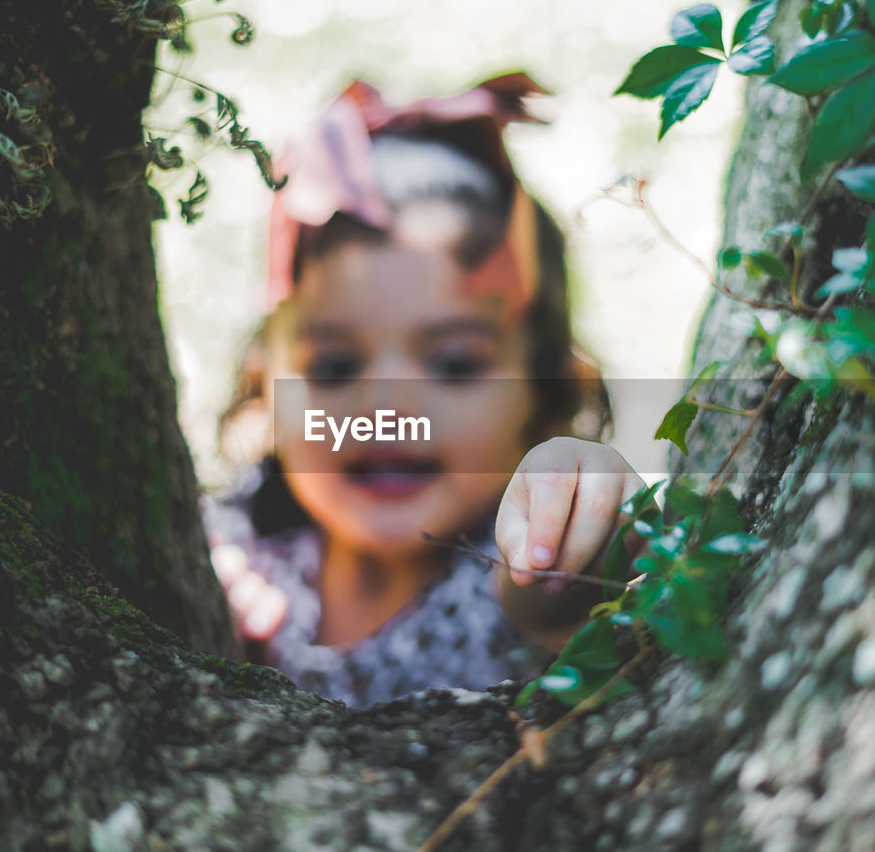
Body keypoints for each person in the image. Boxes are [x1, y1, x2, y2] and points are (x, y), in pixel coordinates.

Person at [202, 74, 646, 707]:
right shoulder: (231, 548)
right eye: (332, 367)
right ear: (262, 383)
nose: (387, 409)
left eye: (454, 364)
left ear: (549, 390)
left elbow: (563, 590)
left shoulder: (507, 573)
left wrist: (574, 504)